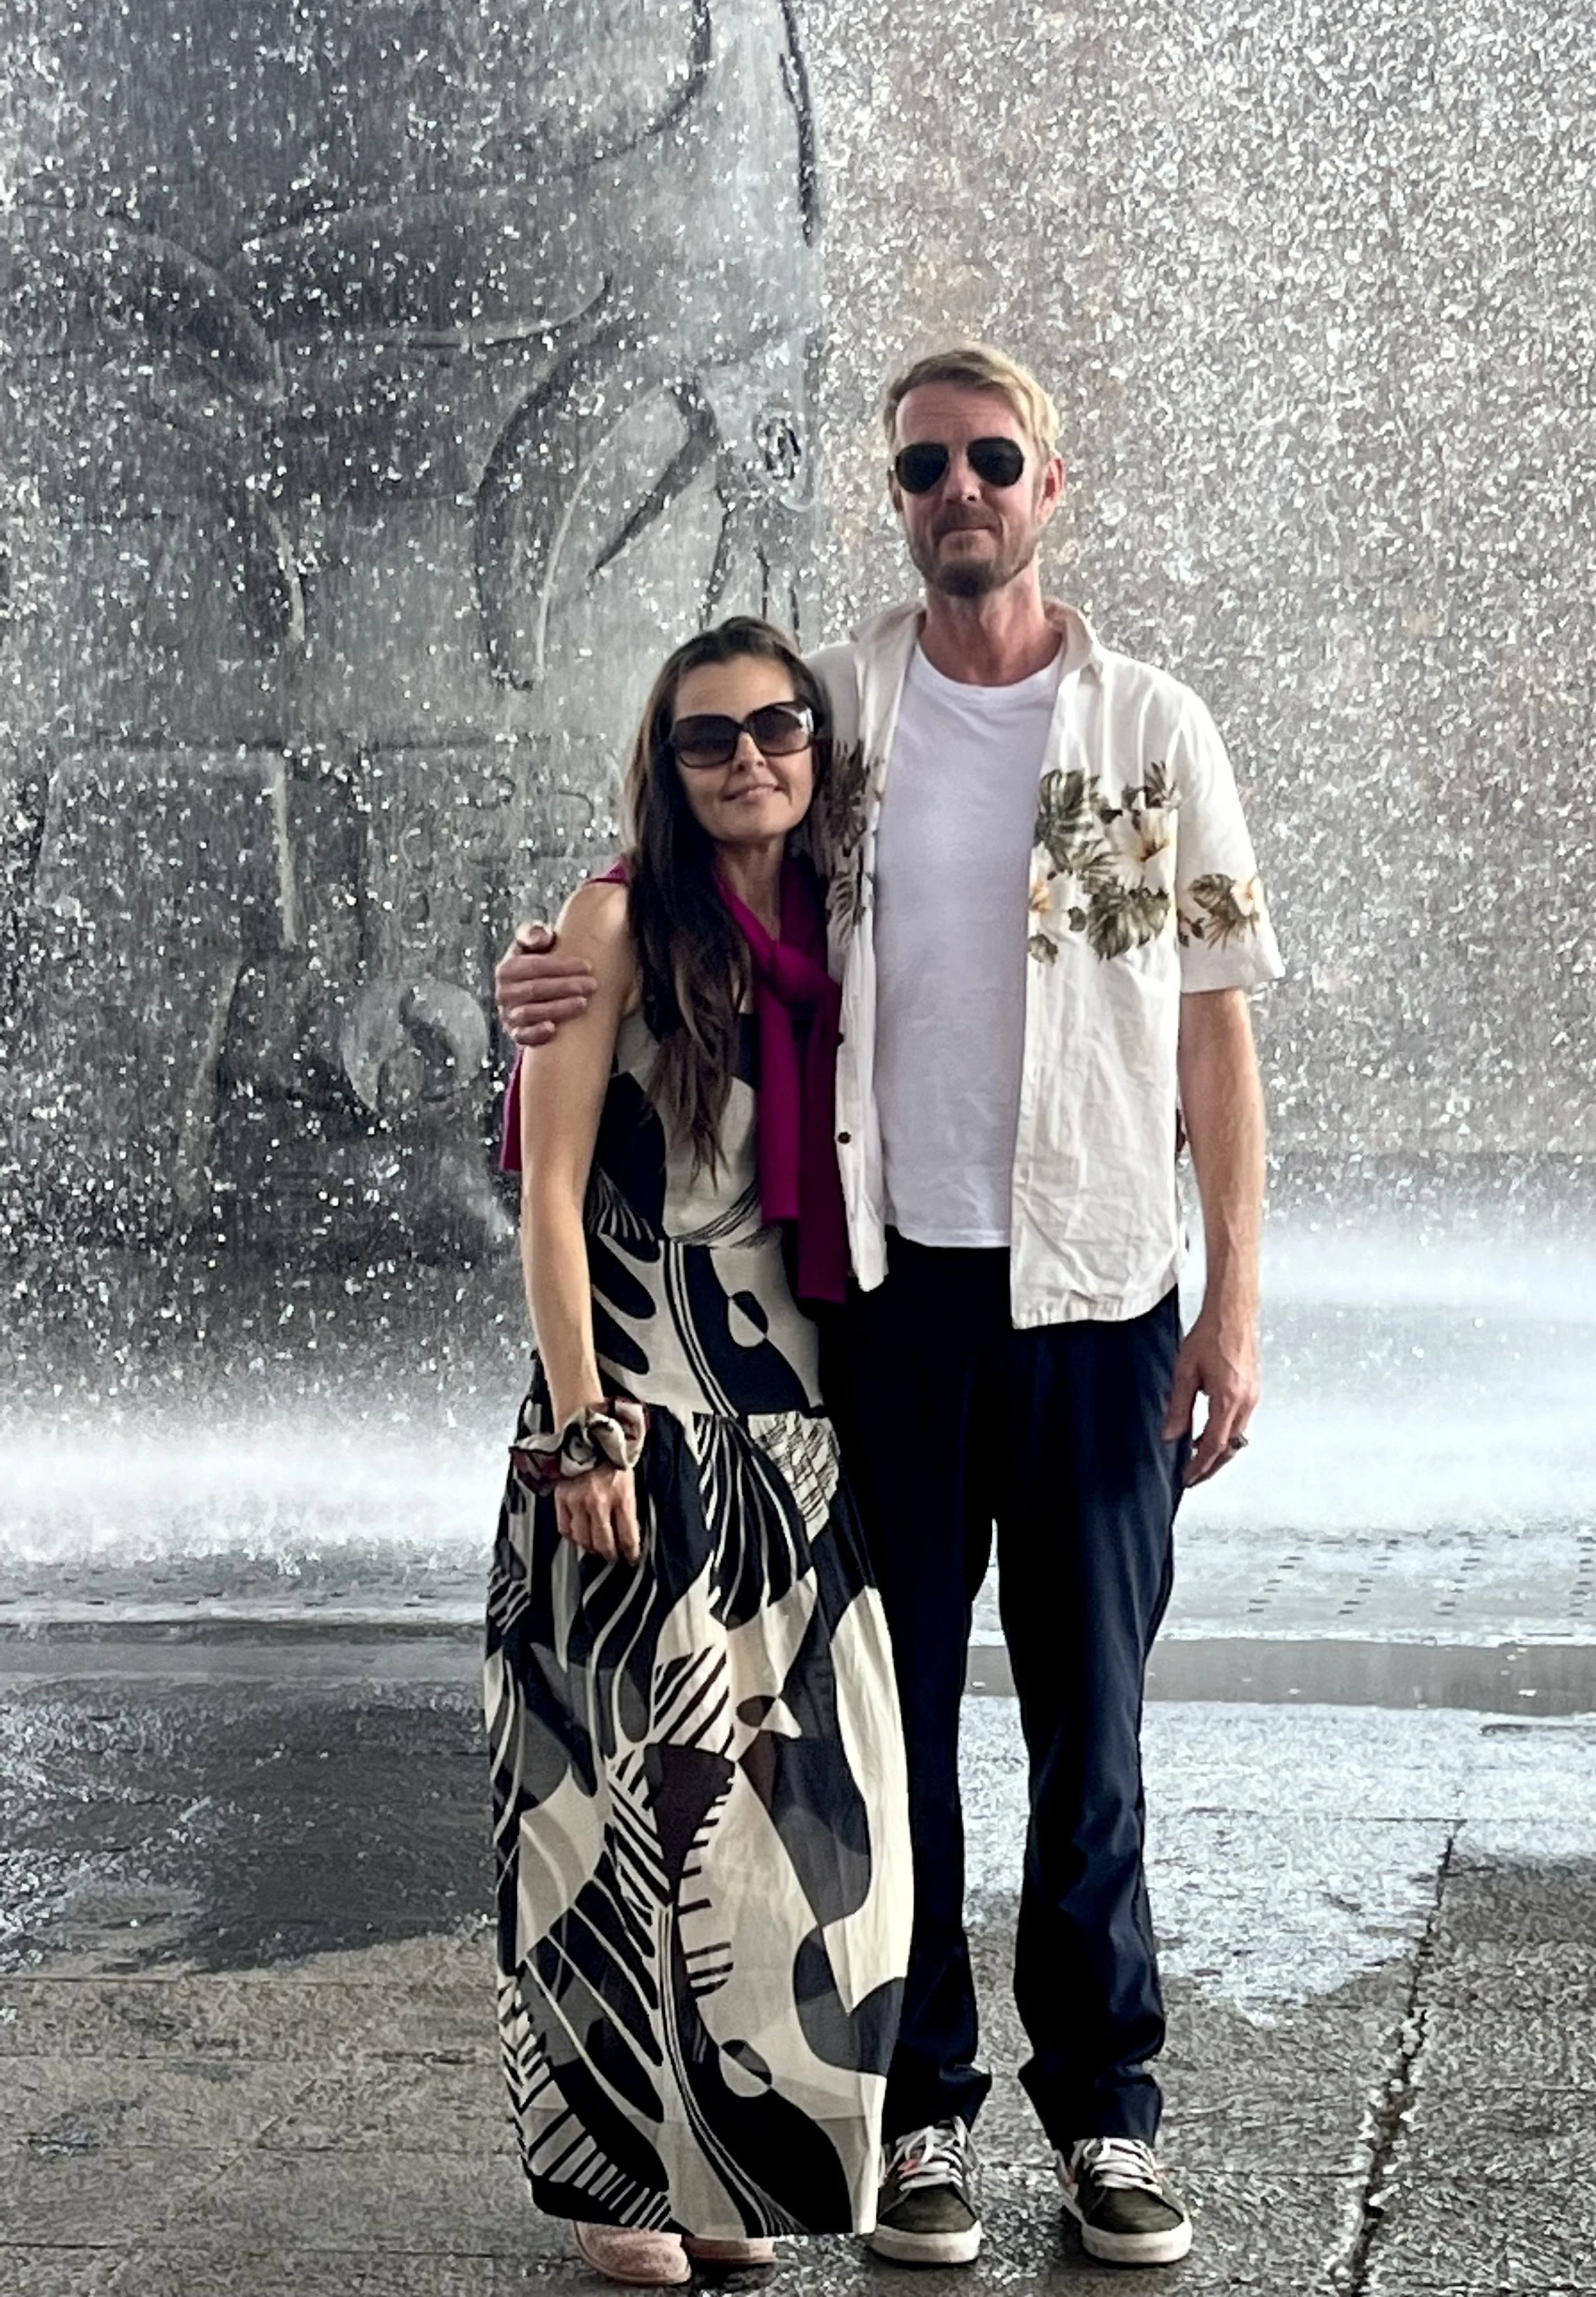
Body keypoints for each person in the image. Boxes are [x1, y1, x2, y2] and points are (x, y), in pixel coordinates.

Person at [497, 345, 1283, 2273]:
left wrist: (1234, 1308)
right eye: (922, 464)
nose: (956, 489)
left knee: (1093, 1736)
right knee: (892, 1726)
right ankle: (921, 2108)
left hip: (1102, 1298)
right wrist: (547, 957)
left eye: (988, 460)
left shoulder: (1150, 728)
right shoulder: (840, 707)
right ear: (896, 492)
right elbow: (700, 842)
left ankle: (1105, 2112)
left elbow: (1213, 1034)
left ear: (1047, 482)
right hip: (893, 1309)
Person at [488, 615, 910, 2289]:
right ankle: (616, 2175)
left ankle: (735, 2157)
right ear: (662, 771)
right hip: (635, 1410)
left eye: (778, 728)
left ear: (819, 743)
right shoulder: (613, 918)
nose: (749, 759)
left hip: (793, 1437)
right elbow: (545, 1191)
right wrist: (584, 1421)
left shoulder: (842, 923)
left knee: (778, 1802)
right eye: (707, 738)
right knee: (607, 1804)